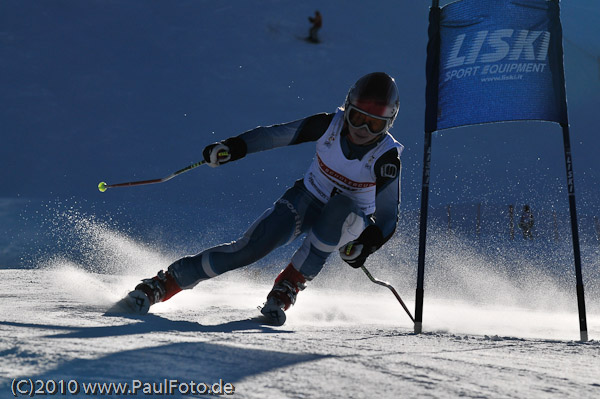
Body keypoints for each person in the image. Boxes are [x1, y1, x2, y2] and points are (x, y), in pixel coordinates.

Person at [124, 72, 404, 326]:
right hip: (308, 197)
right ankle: (165, 282)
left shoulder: (386, 158)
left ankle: (289, 284)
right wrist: (234, 147)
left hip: (349, 223)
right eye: (357, 118)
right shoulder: (326, 125)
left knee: (340, 206)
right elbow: (274, 136)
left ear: (387, 125)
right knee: (250, 248)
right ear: (347, 110)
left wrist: (365, 246)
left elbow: (388, 216)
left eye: (374, 125)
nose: (362, 131)